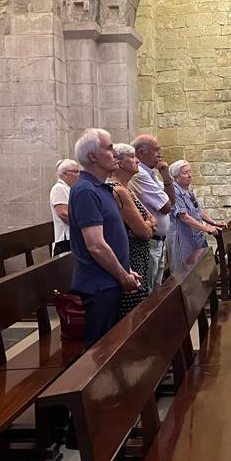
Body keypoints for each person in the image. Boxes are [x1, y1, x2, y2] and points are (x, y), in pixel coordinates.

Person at [70, 128, 141, 347]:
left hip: (110, 280)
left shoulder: (101, 188)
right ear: (93, 156)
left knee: (112, 347)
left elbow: (110, 237)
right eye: (109, 148)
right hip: (99, 285)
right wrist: (123, 277)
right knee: (99, 352)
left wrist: (126, 271)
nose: (115, 154)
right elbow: (96, 246)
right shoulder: (85, 190)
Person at [108, 143, 156, 315]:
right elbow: (144, 231)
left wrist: (147, 224)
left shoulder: (128, 188)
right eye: (132, 157)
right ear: (120, 163)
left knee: (141, 305)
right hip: (131, 257)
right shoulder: (118, 190)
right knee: (132, 312)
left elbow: (151, 218)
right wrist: (148, 226)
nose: (137, 160)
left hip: (140, 254)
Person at [129, 134, 176, 288]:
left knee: (156, 288)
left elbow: (172, 202)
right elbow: (166, 207)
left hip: (158, 241)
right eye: (155, 150)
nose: (159, 154)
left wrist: (165, 176)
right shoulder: (140, 175)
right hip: (149, 241)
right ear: (141, 152)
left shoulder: (151, 174)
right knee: (149, 290)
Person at [168, 159, 223, 273]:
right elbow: (183, 217)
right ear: (176, 176)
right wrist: (206, 228)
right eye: (185, 173)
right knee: (185, 270)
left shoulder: (189, 190)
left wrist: (213, 222)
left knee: (199, 268)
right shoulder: (174, 191)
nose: (189, 175)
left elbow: (199, 210)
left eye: (190, 172)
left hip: (196, 236)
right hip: (183, 237)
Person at [50, 158, 80, 255]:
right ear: (65, 174)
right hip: (65, 241)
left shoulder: (69, 188)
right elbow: (63, 213)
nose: (79, 175)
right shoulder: (59, 188)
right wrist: (83, 226)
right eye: (75, 172)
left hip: (73, 238)